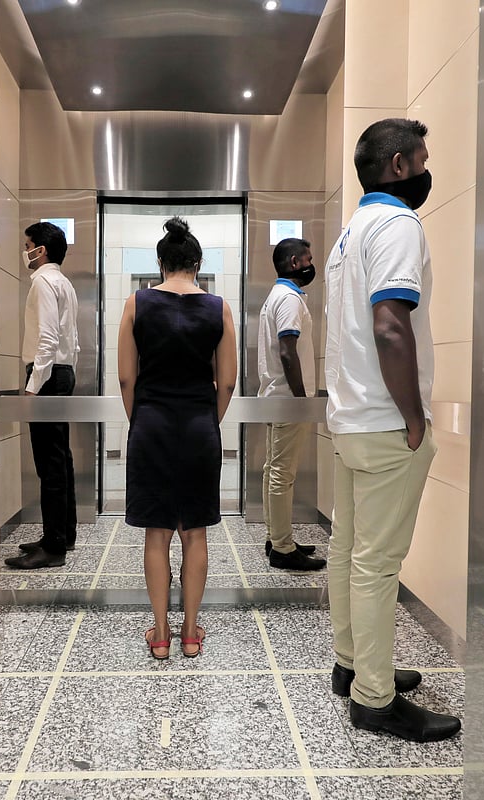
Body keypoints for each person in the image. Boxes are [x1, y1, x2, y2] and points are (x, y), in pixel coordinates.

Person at [323, 118, 461, 742]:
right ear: (400, 165)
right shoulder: (399, 224)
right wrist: (412, 416)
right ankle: (374, 700)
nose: (427, 170)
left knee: (349, 551)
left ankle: (353, 665)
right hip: (384, 423)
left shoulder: (349, 233)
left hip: (350, 421)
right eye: (423, 159)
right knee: (377, 565)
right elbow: (389, 326)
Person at [118, 217, 237, 659]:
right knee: (195, 532)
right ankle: (190, 633)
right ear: (197, 264)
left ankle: (161, 634)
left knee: (157, 532)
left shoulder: (136, 303)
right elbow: (227, 381)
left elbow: (126, 378)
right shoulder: (219, 308)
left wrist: (140, 420)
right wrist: (209, 420)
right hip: (199, 426)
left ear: (160, 262)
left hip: (151, 425)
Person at [5, 222, 81, 569]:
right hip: (62, 373)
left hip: (48, 375)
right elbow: (71, 342)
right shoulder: (64, 283)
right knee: (60, 458)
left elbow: (47, 339)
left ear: (41, 250)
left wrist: (33, 385)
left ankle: (53, 547)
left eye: (28, 246)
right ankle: (63, 534)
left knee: (49, 463)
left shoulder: (43, 282)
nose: (25, 252)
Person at [256, 237, 327, 571]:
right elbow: (288, 352)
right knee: (281, 474)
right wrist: (301, 400)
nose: (312, 264)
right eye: (308, 258)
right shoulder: (288, 299)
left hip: (277, 398)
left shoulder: (278, 296)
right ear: (295, 262)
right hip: (288, 400)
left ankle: (276, 537)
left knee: (274, 470)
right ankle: (283, 548)